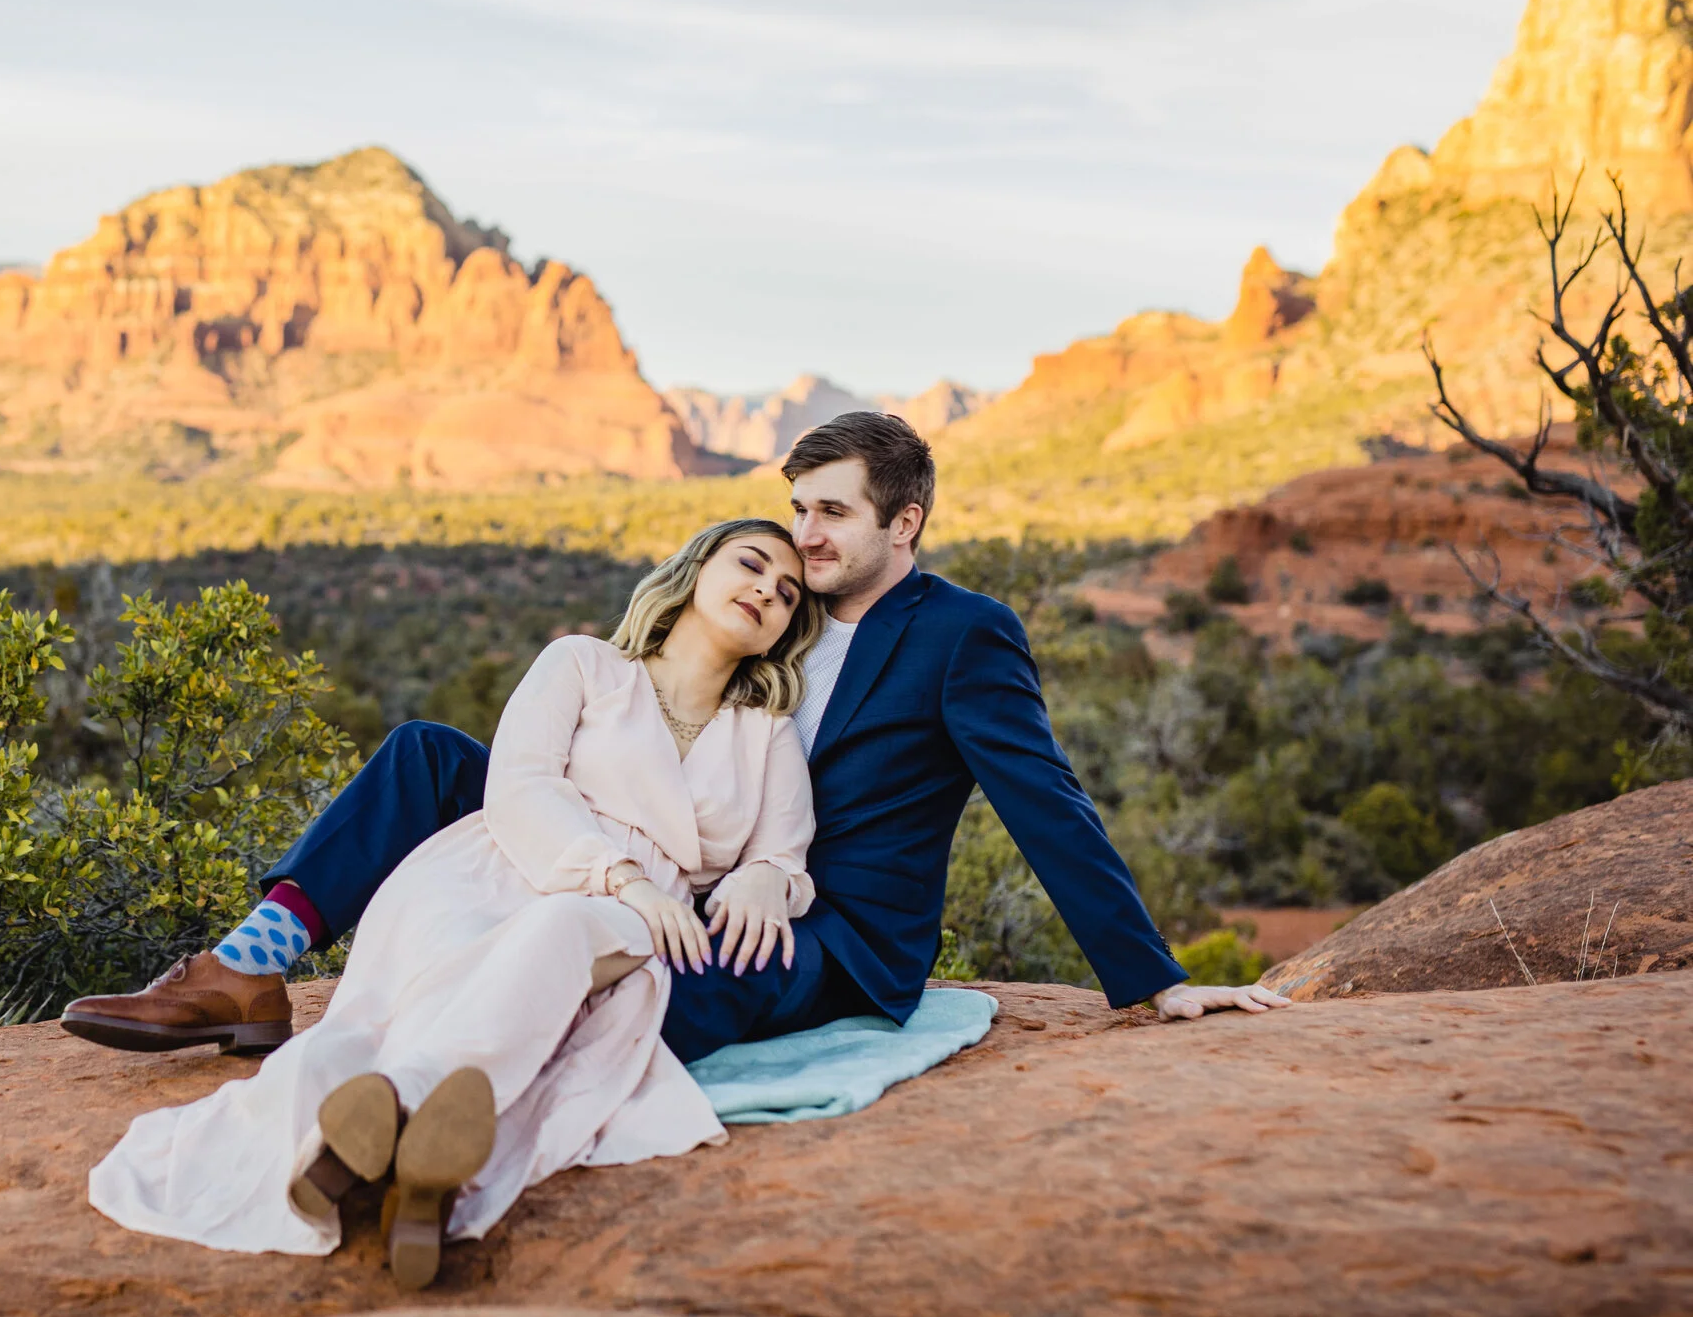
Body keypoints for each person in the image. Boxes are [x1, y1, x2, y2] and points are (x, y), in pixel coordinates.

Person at [65, 410, 1285, 1074]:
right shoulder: (771, 616)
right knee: (430, 757)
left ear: (901, 521)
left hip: (819, 922)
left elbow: (1044, 799)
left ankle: (446, 1096)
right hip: (666, 855)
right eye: (793, 509)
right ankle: (246, 966)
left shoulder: (961, 634)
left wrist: (1153, 979)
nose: (802, 533)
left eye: (830, 512)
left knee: (638, 994)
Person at [88, 520, 823, 1289]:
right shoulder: (584, 664)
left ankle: (369, 1132)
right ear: (698, 567)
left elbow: (783, 853)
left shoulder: (764, 735)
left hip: (629, 919)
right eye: (752, 564)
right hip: (512, 863)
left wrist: (762, 877)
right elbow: (522, 784)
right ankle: (413, 1163)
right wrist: (619, 874)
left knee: (560, 929)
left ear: (783, 631)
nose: (767, 591)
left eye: (786, 594)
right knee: (415, 997)